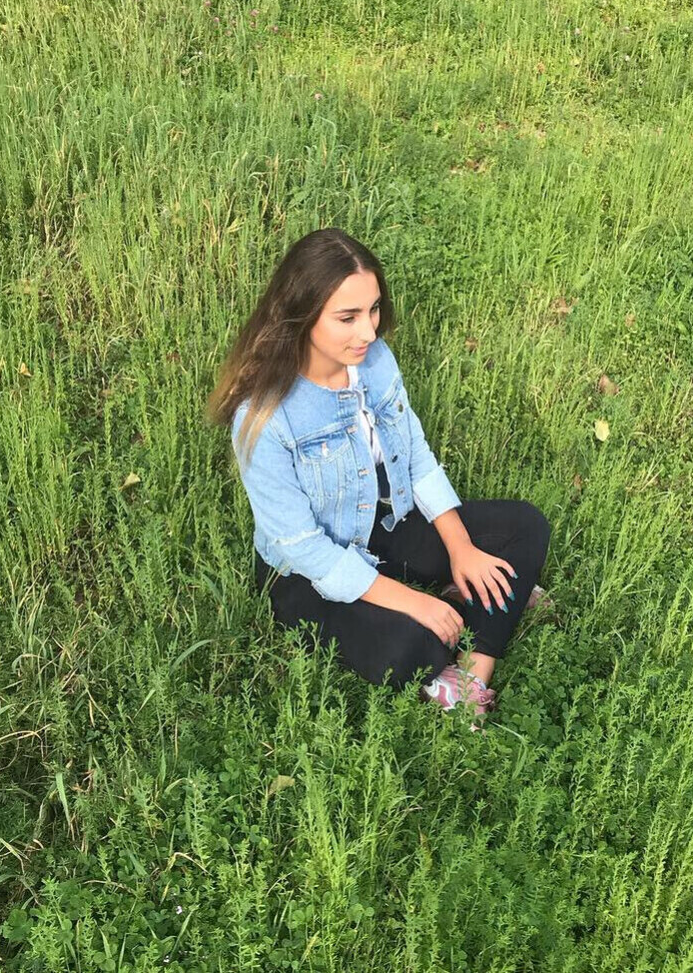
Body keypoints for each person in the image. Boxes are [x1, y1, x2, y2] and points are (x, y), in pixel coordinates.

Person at [206, 228, 551, 730]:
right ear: (302, 313)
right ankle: (471, 605)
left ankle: (472, 675)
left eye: (372, 310)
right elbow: (304, 548)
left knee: (525, 525)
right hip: (305, 573)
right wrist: (413, 603)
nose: (368, 331)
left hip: (384, 523)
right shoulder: (263, 417)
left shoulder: (376, 361)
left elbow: (416, 458)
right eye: (347, 317)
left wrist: (460, 548)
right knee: (413, 641)